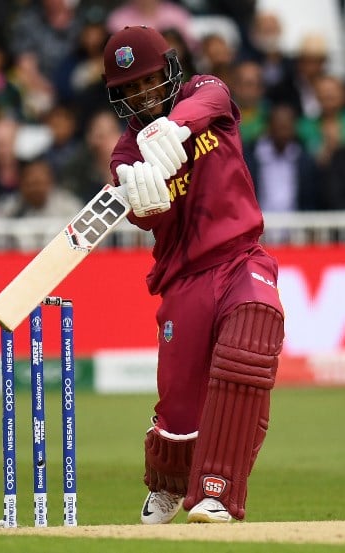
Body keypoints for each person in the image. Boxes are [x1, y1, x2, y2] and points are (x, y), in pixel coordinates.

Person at [103, 25, 285, 524]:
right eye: (130, 88)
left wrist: (173, 129)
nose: (143, 93)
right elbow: (145, 215)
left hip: (242, 256)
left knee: (251, 337)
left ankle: (215, 492)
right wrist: (144, 201)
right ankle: (165, 484)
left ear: (170, 69)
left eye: (149, 79)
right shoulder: (125, 158)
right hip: (185, 280)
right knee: (181, 407)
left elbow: (208, 103)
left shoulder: (206, 92)